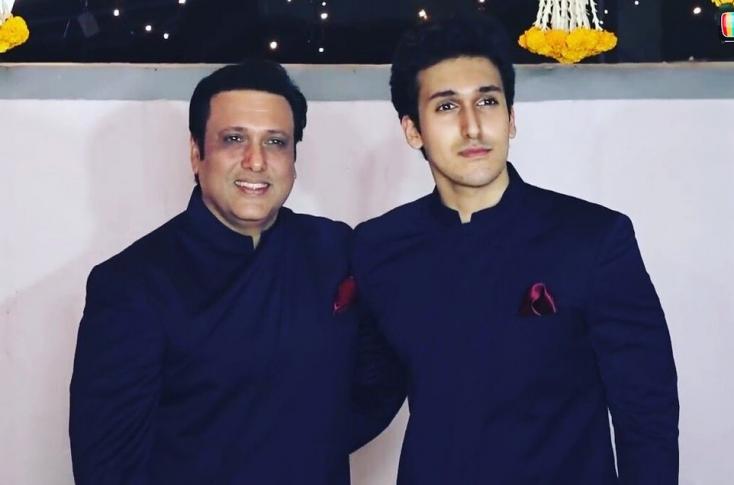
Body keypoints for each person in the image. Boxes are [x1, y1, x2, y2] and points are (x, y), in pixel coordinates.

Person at [352, 15, 679, 484]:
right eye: (446, 106)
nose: (472, 126)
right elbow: (370, 393)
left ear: (510, 118)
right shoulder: (379, 246)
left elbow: (647, 413)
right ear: (413, 130)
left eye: (487, 101)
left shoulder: (594, 238)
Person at [70, 60, 376, 484]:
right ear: (197, 153)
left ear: (293, 159)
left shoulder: (335, 249)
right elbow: (109, 466)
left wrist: (308, 447)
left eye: (275, 142)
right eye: (234, 139)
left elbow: (379, 376)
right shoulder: (131, 283)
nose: (256, 161)